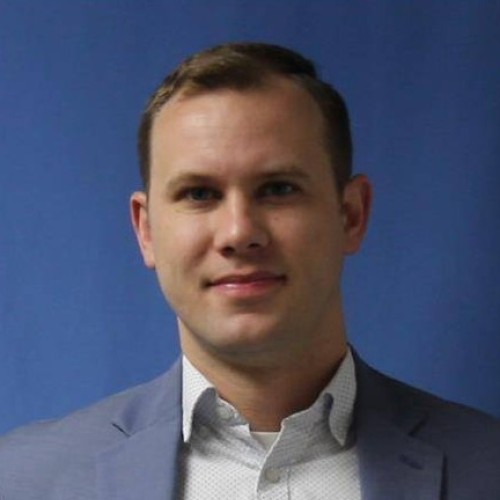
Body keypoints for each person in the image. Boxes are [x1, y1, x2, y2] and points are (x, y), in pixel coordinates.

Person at [0, 42, 499, 500]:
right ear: (146, 230)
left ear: (351, 215)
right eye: (199, 194)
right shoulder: (21, 480)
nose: (239, 232)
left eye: (278, 189)